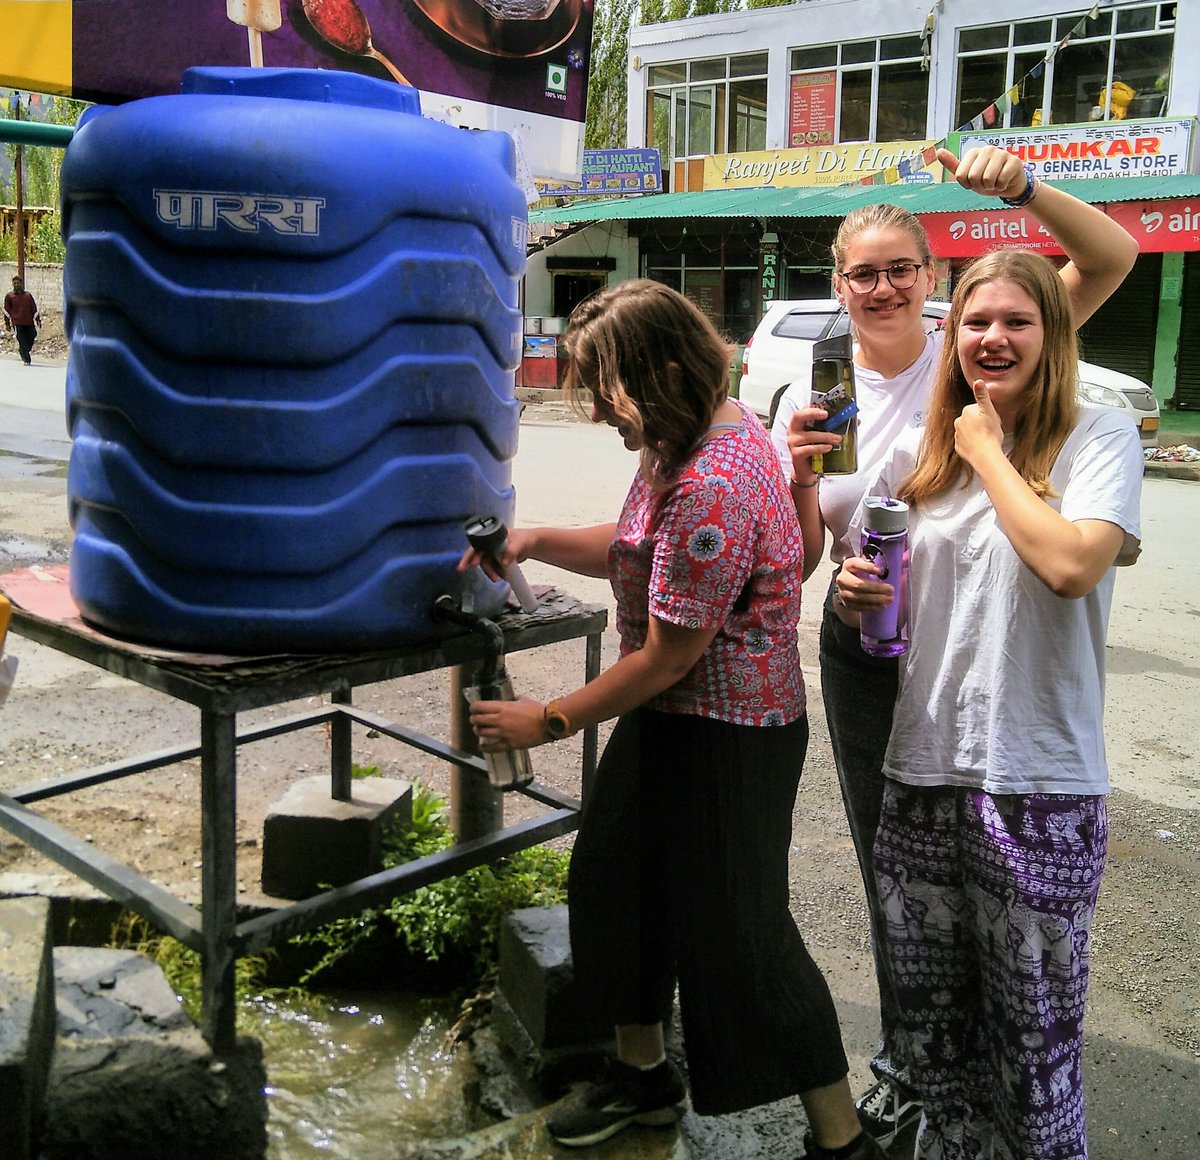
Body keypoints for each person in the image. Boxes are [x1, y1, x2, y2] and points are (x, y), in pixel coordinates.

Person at [460, 279, 885, 1160]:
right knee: (616, 890)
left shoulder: (713, 481)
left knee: (744, 940)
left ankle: (843, 1142)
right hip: (669, 717)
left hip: (732, 735)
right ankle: (643, 1080)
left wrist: (548, 718)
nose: (595, 410)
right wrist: (536, 539)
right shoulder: (678, 442)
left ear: (657, 372)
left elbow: (668, 654)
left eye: (602, 387)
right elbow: (630, 550)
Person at [773, 145, 1140, 1145]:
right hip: (873, 638)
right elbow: (805, 556)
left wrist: (1020, 187)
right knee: (902, 867)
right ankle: (915, 1059)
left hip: (992, 659)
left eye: (902, 267)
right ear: (839, 284)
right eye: (863, 271)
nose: (883, 285)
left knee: (1002, 895)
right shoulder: (817, 394)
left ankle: (996, 1085)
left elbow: (1108, 261)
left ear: (930, 276)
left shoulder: (974, 350)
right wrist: (805, 485)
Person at [3, 276, 43, 366]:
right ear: (12, 284)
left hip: (29, 322)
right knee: (22, 339)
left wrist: (38, 320)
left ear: (21, 284)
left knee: (32, 335)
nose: (16, 285)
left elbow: (34, 308)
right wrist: (7, 324)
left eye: (18, 283)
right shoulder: (9, 296)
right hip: (17, 323)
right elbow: (6, 311)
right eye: (15, 283)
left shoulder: (28, 296)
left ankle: (23, 350)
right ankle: (27, 359)